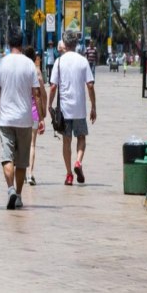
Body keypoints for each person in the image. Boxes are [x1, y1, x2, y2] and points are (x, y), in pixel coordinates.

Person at [0, 26, 45, 210]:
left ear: (8, 42)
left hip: (6, 118)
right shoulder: (29, 64)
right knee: (22, 161)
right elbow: (36, 93)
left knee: (7, 157)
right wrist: (42, 116)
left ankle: (10, 189)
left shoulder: (2, 63)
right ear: (22, 43)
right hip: (24, 118)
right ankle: (19, 195)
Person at [47, 30, 96, 186]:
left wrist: (49, 105)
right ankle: (78, 162)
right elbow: (90, 85)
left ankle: (69, 174)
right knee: (81, 137)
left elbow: (53, 87)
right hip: (79, 108)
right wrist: (94, 106)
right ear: (76, 43)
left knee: (66, 141)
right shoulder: (83, 61)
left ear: (64, 43)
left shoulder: (59, 62)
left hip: (64, 110)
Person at [24, 46, 47, 186]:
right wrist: (43, 112)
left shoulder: (20, 70)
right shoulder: (37, 72)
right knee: (32, 144)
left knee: (21, 144)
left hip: (21, 112)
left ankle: (19, 172)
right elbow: (42, 94)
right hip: (34, 112)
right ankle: (30, 174)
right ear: (35, 58)